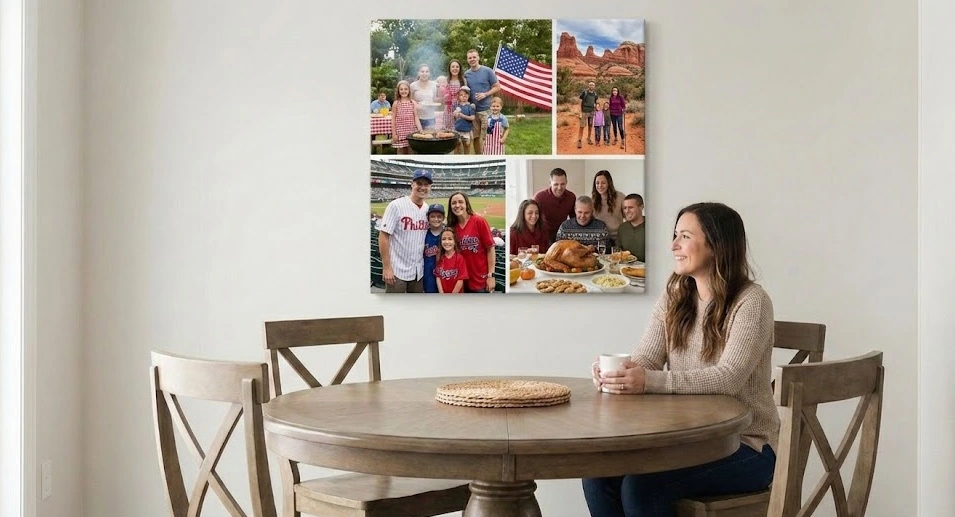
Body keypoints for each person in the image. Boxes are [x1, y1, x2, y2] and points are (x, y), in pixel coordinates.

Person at [583, 202, 777, 516]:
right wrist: (620, 374)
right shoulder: (676, 294)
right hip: (688, 442)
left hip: (746, 445)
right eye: (675, 235)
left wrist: (648, 381)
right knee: (598, 475)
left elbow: (728, 378)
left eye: (684, 236)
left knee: (642, 487)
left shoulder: (751, 301)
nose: (673, 245)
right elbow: (646, 358)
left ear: (716, 246)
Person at [377, 169, 432, 293]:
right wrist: (387, 267)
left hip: (418, 271)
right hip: (397, 270)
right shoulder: (396, 205)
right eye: (419, 183)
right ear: (412, 184)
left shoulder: (427, 209)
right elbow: (383, 235)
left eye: (426, 184)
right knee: (394, 308)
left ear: (430, 187)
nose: (423, 187)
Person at [447, 191, 496, 293]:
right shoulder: (452, 227)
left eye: (460, 202)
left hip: (480, 280)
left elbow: (490, 248)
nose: (457, 205)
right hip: (460, 280)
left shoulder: (479, 221)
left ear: (466, 204)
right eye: (454, 203)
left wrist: (491, 276)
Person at [463, 48, 501, 155]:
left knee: (486, 138)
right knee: (475, 137)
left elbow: (497, 87)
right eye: (470, 58)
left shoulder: (487, 71)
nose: (472, 59)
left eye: (474, 57)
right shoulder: (466, 74)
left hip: (486, 110)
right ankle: (478, 157)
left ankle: (487, 156)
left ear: (478, 57)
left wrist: (485, 94)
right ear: (467, 60)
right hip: (473, 111)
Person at [533, 167, 577, 243]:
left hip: (562, 235)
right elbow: (533, 220)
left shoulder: (571, 197)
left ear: (566, 182)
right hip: (543, 236)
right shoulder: (539, 197)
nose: (559, 188)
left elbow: (574, 219)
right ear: (550, 183)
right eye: (556, 184)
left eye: (562, 184)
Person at [592, 170, 623, 246]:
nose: (600, 186)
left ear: (609, 183)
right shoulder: (593, 200)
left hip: (618, 239)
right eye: (597, 183)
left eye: (603, 183)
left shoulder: (620, 197)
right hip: (601, 240)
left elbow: (628, 218)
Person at [391, 80, 421, 155]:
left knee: (411, 152)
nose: (403, 91)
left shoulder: (413, 102)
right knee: (400, 153)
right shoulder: (396, 103)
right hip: (400, 133)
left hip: (411, 132)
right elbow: (393, 119)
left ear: (409, 90)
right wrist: (394, 133)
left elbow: (416, 117)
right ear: (398, 91)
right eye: (401, 89)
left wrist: (420, 130)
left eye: (406, 89)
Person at [434, 228, 468, 294]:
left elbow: (460, 280)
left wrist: (452, 296)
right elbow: (438, 277)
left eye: (450, 239)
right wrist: (441, 292)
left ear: (455, 242)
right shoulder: (439, 257)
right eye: (444, 239)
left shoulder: (459, 258)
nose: (447, 242)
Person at [422, 204, 445, 294]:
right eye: (432, 216)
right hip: (428, 276)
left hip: (445, 275)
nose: (436, 219)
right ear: (428, 218)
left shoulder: (448, 234)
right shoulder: (423, 234)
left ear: (443, 218)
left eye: (439, 216)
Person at [617, 194, 646, 261]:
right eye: (625, 208)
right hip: (625, 269)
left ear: (641, 207)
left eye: (630, 207)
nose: (627, 211)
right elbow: (618, 252)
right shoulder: (622, 228)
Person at [410, 63, 437, 130]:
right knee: (418, 138)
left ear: (429, 73)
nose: (424, 74)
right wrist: (415, 103)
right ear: (418, 73)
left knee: (430, 138)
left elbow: (434, 100)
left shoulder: (434, 85)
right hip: (416, 118)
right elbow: (409, 100)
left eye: (427, 71)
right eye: (422, 71)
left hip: (430, 117)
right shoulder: (413, 85)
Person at [452, 86, 476, 155]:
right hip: (458, 129)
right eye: (461, 95)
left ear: (468, 96)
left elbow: (472, 118)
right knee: (457, 145)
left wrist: (463, 116)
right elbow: (454, 117)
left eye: (465, 95)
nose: (463, 96)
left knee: (467, 145)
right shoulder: (457, 105)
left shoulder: (470, 106)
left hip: (467, 130)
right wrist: (455, 114)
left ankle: (466, 159)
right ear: (458, 96)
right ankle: (456, 160)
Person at [444, 59, 467, 129]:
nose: (455, 69)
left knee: (459, 129)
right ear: (449, 69)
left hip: (460, 108)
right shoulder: (446, 80)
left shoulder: (463, 80)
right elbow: (442, 97)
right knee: (449, 129)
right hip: (448, 108)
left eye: (457, 67)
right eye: (453, 67)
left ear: (460, 69)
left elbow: (466, 95)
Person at [577, 81, 598, 148]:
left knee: (590, 125)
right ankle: (579, 140)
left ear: (594, 87)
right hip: (584, 111)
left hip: (592, 112)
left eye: (593, 85)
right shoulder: (585, 92)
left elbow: (595, 102)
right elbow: (580, 101)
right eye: (590, 85)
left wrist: (595, 110)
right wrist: (580, 112)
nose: (591, 86)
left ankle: (589, 138)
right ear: (588, 86)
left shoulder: (595, 94)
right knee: (582, 126)